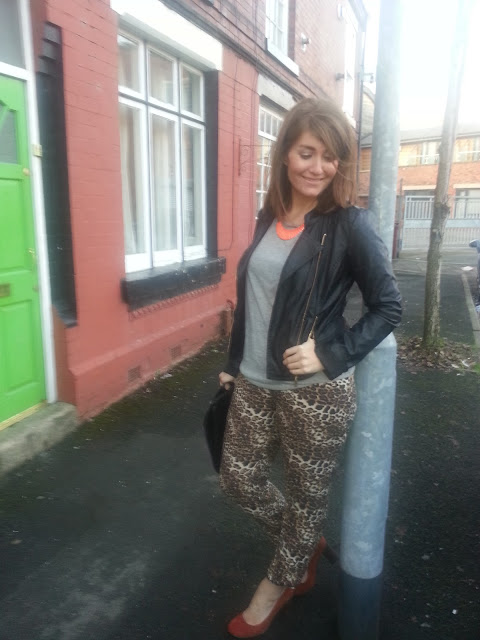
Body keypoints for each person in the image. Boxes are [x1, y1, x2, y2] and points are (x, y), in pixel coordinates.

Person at [218, 97, 402, 638]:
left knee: (306, 496)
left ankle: (278, 583)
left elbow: (388, 305)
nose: (318, 167)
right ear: (286, 154)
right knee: (237, 478)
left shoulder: (349, 225)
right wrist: (233, 361)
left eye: (330, 156)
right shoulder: (269, 215)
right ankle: (302, 544)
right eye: (306, 152)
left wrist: (331, 352)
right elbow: (251, 298)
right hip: (254, 381)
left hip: (315, 392)